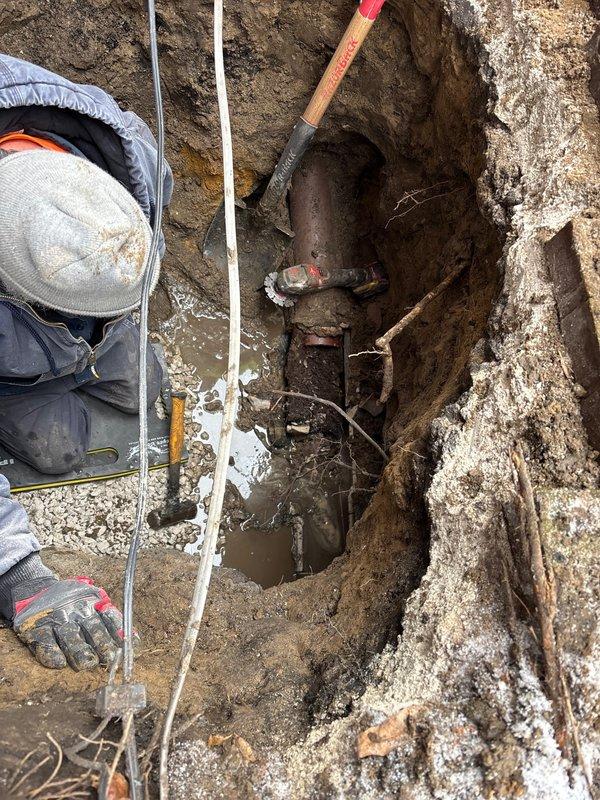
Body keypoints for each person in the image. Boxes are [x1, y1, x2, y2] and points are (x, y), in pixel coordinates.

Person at [0, 54, 173, 671]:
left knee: (143, 387)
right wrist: (18, 574)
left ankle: (94, 335)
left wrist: (111, 310)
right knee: (57, 449)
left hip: (87, 318)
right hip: (14, 362)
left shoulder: (124, 155)